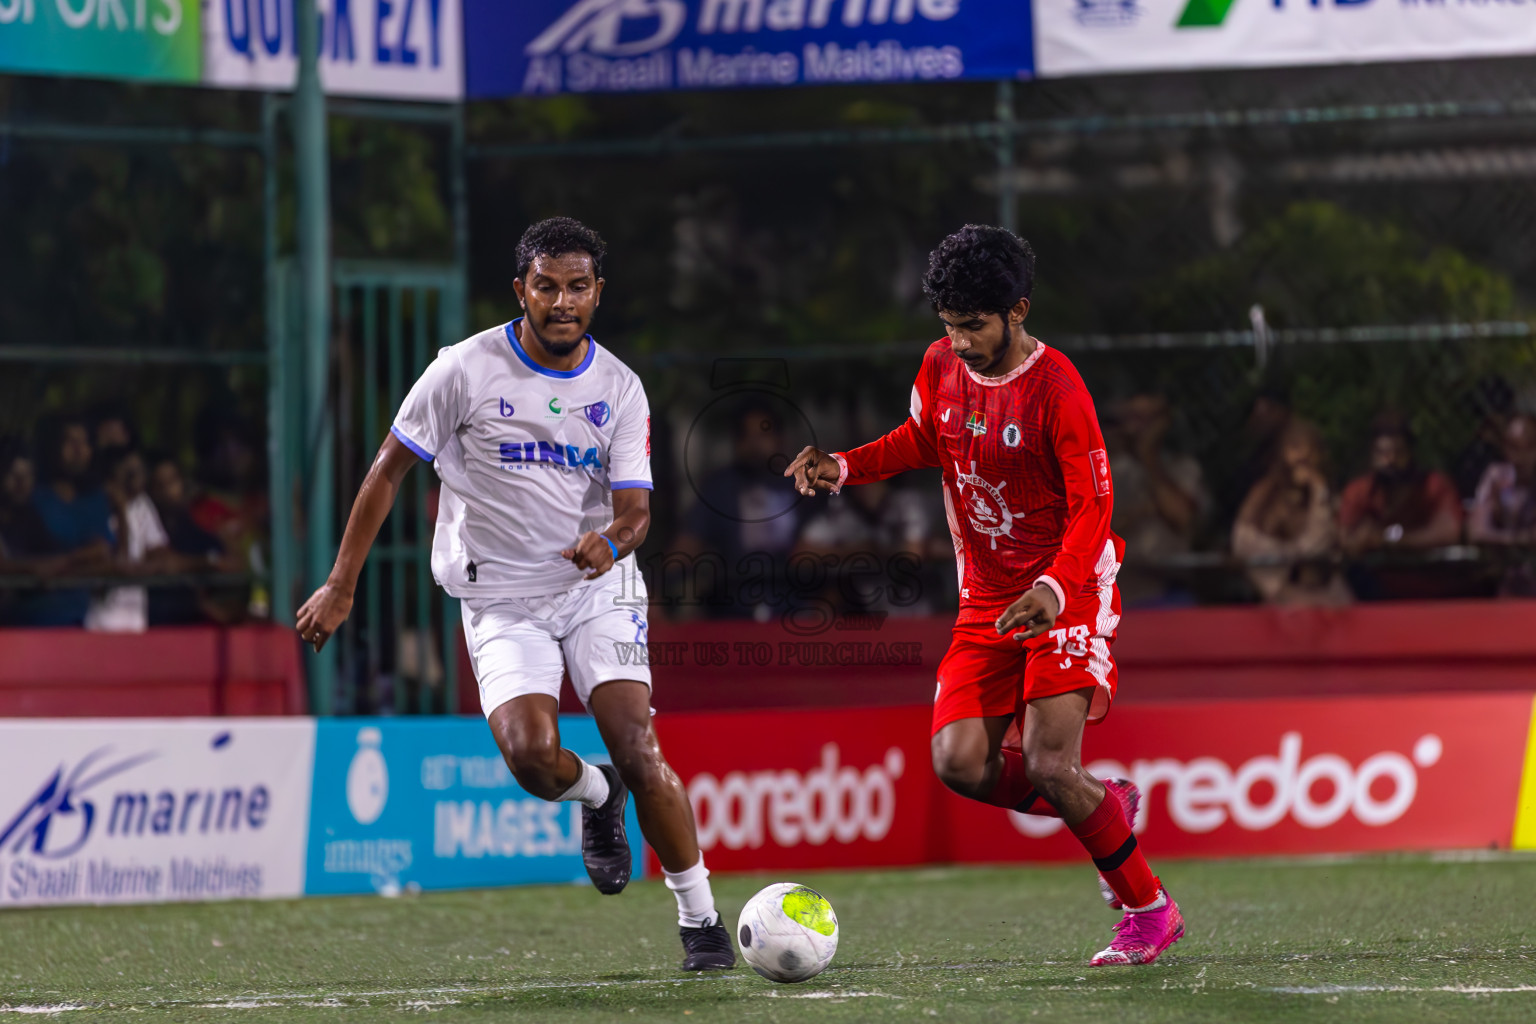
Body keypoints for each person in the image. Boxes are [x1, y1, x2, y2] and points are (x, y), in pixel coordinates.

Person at [294, 218, 734, 972]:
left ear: (598, 292)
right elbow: (388, 471)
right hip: (498, 597)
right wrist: (341, 582)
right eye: (547, 285)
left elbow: (636, 512)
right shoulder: (463, 370)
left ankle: (701, 921)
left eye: (578, 287)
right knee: (532, 759)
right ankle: (598, 798)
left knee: (637, 745)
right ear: (520, 290)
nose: (562, 301)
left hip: (596, 588)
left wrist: (614, 541)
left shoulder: (620, 387)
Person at [785, 225, 1183, 967]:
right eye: (950, 326)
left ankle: (1148, 910)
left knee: (1048, 764)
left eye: (974, 326)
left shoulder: (1058, 389)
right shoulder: (940, 364)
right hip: (986, 601)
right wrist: (844, 465)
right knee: (959, 763)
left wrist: (1054, 590)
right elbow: (921, 438)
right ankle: (1108, 806)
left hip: (1068, 590)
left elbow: (1095, 508)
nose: (961, 342)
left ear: (1018, 310)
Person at [1102, 394, 1208, 606]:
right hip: (1115, 593)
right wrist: (1140, 513)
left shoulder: (1184, 470)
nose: (1136, 428)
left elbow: (1182, 517)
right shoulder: (1106, 473)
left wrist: (1148, 456)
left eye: (1147, 420)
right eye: (1131, 419)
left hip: (1168, 592)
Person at [1231, 419, 1350, 605]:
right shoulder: (1265, 493)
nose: (1304, 456)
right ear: (1283, 453)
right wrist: (1286, 561)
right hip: (1282, 596)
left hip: (1327, 597)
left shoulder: (1327, 496)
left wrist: (1319, 491)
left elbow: (1319, 548)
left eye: (1311, 450)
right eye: (1296, 447)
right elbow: (1242, 541)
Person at [29, 416, 116, 625]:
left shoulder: (96, 498)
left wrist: (65, 562)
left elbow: (102, 551)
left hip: (84, 617)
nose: (78, 450)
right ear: (52, 448)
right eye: (70, 442)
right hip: (35, 617)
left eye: (84, 443)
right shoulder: (34, 497)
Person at [1339, 418, 1462, 556]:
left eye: (1398, 452)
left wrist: (1391, 540)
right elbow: (1345, 539)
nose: (1390, 460)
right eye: (1382, 453)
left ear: (1410, 452)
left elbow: (1449, 532)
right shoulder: (1359, 491)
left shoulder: (1435, 485)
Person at [85, 447, 175, 632]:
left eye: (139, 471)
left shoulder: (143, 504)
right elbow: (121, 560)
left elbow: (160, 552)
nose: (135, 477)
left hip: (135, 618)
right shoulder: (94, 506)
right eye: (128, 471)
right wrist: (121, 509)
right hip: (101, 620)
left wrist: (149, 567)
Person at [1468, 413, 1536, 595]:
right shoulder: (1496, 477)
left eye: (1528, 446)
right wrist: (1518, 539)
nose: (1519, 455)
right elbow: (1476, 532)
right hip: (1505, 580)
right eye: (1513, 446)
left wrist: (1499, 537)